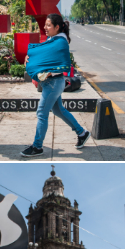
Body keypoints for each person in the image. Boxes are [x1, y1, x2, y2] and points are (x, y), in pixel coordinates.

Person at [21, 14, 90, 158]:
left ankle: (37, 146)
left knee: (41, 113)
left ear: (57, 27)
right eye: (45, 25)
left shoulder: (61, 42)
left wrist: (45, 71)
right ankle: (82, 133)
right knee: (59, 110)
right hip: (51, 83)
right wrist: (30, 58)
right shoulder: (52, 40)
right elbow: (44, 56)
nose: (45, 28)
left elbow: (59, 63)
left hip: (53, 83)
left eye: (48, 25)